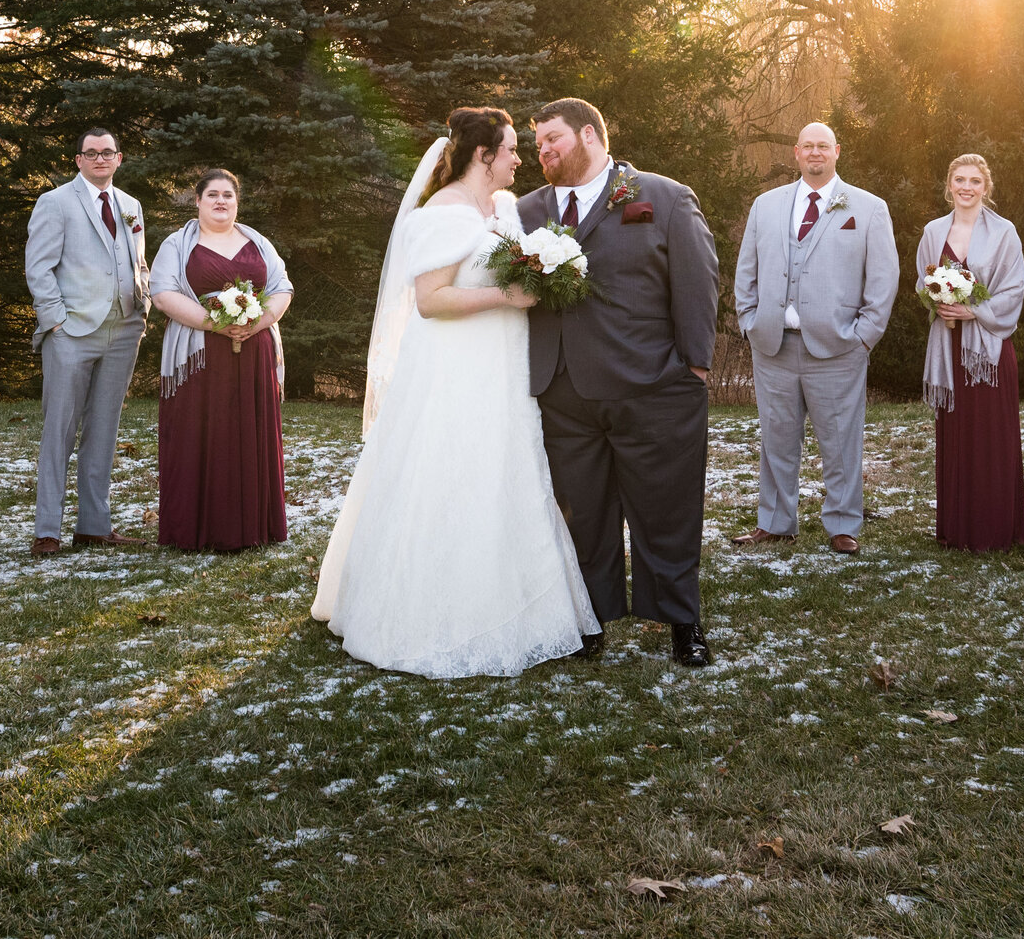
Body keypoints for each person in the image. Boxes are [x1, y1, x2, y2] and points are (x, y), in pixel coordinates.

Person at [310, 108, 599, 675]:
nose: (522, 158)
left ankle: (524, 606)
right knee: (451, 475)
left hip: (506, 368)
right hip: (454, 371)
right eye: (513, 148)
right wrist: (505, 298)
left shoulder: (505, 209)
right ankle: (432, 615)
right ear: (483, 155)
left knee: (506, 475)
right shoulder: (440, 215)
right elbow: (430, 300)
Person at [518, 98, 721, 667]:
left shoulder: (664, 197)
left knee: (667, 510)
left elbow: (698, 284)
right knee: (580, 513)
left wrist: (695, 366)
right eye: (538, 143)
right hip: (562, 390)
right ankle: (589, 622)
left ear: (589, 135)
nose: (544, 150)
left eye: (553, 138)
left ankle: (683, 621)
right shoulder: (526, 211)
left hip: (653, 385)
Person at [730, 122, 899, 554]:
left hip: (839, 347)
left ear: (837, 151)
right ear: (796, 153)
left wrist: (864, 337)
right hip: (773, 345)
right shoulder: (766, 205)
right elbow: (745, 270)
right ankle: (775, 520)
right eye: (808, 147)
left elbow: (883, 280)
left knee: (841, 440)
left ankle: (843, 524)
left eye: (824, 146)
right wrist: (750, 320)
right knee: (776, 439)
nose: (816, 153)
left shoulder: (868, 207)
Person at [147, 170, 292, 551]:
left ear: (237, 201)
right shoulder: (177, 245)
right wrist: (214, 323)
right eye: (212, 194)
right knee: (199, 431)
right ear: (197, 201)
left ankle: (255, 526)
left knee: (250, 430)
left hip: (254, 351)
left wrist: (257, 321)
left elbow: (282, 288)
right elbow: (162, 293)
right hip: (198, 356)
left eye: (228, 195)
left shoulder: (257, 242)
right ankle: (197, 529)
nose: (221, 201)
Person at [23, 128, 150, 556]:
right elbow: (38, 269)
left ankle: (94, 524)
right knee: (59, 429)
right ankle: (47, 530)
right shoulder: (55, 202)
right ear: (77, 159)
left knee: (104, 428)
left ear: (119, 158)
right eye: (90, 153)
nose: (100, 159)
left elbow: (138, 262)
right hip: (72, 332)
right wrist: (55, 321)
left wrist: (142, 307)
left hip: (124, 329)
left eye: (107, 152)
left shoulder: (130, 206)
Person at [916, 153, 1024, 552]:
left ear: (986, 187)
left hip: (988, 353)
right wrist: (938, 302)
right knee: (957, 435)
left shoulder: (1004, 233)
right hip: (947, 347)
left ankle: (992, 531)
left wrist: (972, 310)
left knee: (990, 438)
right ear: (949, 185)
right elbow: (923, 279)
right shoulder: (933, 231)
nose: (966, 187)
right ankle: (956, 529)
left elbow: (1014, 290)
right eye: (959, 180)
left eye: (975, 181)